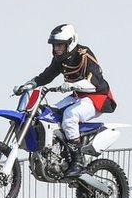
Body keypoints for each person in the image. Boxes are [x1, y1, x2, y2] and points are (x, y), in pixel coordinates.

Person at [15, 24, 115, 178]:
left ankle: (78, 161)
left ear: (71, 42)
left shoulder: (84, 55)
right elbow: (46, 75)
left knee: (70, 116)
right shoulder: (60, 59)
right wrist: (29, 84)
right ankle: (57, 153)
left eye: (60, 45)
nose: (57, 49)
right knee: (48, 112)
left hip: (97, 97)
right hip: (77, 96)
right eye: (55, 46)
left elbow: (95, 83)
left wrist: (72, 85)